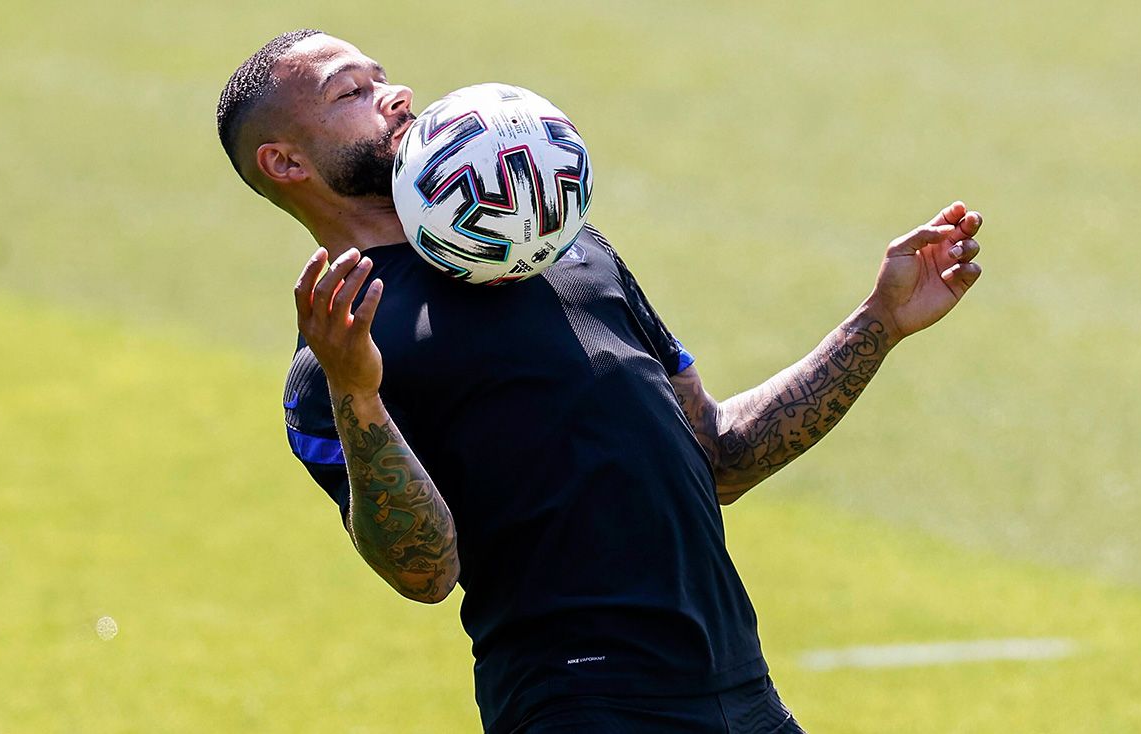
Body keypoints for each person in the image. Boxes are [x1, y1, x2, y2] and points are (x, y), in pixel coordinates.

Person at [216, 29, 984, 734]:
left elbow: (719, 455)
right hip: (581, 706)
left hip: (743, 695)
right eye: (352, 92)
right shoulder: (339, 346)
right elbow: (423, 573)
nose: (396, 97)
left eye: (385, 78)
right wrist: (359, 394)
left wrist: (877, 323)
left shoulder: (569, 250)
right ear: (286, 162)